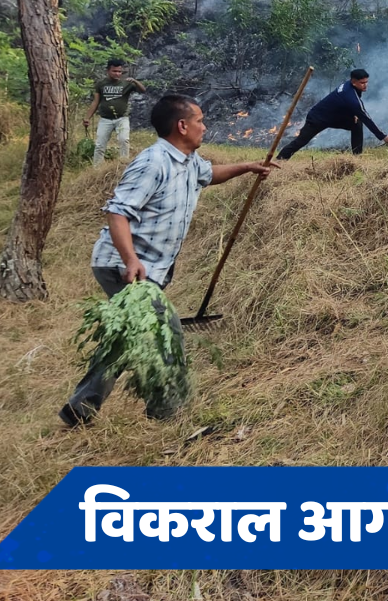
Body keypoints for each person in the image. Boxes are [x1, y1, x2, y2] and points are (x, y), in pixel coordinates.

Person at [60, 94, 276, 427]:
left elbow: (210, 174)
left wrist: (247, 168)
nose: (204, 126)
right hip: (125, 266)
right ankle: (169, 411)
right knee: (165, 332)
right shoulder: (154, 161)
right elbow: (117, 212)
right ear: (182, 125)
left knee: (124, 337)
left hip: (147, 267)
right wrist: (130, 260)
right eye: (200, 120)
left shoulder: (188, 160)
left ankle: (79, 409)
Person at [276, 68, 388, 159]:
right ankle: (280, 159)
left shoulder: (351, 86)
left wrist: (352, 115)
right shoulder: (350, 96)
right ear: (353, 82)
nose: (365, 85)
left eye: (366, 82)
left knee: (356, 123)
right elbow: (366, 117)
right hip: (317, 118)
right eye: (362, 83)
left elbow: (344, 106)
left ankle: (357, 158)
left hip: (333, 117)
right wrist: (383, 136)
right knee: (301, 141)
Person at [84, 58, 146, 165]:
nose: (117, 74)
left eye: (119, 71)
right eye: (114, 71)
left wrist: (135, 81)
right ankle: (97, 168)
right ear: (108, 71)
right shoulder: (101, 84)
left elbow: (143, 90)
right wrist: (87, 117)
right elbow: (96, 102)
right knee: (99, 145)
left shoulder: (126, 84)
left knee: (123, 140)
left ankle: (123, 164)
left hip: (122, 118)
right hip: (105, 119)